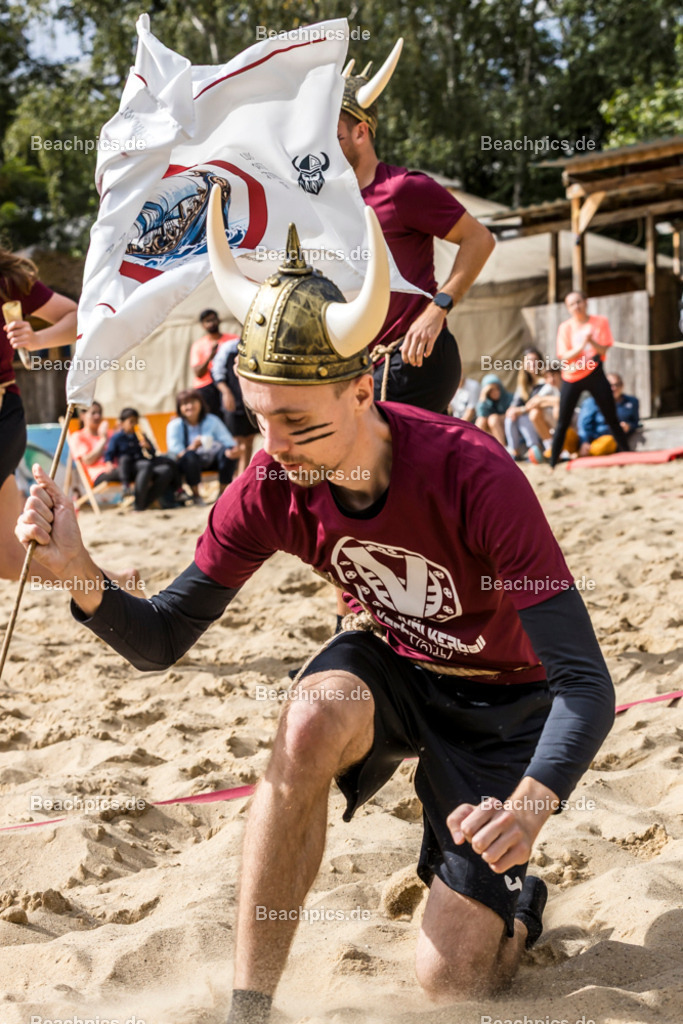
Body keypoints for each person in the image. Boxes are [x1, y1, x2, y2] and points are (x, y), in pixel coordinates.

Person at [16, 204, 614, 1024]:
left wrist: (528, 809)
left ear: (362, 389)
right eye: (259, 418)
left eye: (298, 421)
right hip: (394, 665)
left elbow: (585, 685)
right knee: (304, 720)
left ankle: (517, 901)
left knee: (454, 981)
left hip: (508, 701)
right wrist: (77, 571)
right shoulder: (266, 486)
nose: (275, 446)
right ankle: (249, 1007)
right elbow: (159, 641)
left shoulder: (472, 473)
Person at [337, 43, 494, 414]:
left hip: (412, 360)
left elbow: (479, 239)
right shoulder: (325, 204)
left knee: (390, 466)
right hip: (360, 369)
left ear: (361, 132)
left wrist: (438, 308)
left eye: (333, 135)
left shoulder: (403, 188)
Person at [1, 245, 77, 580]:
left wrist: (36, 339)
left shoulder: (8, 282)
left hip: (2, 416)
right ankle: (113, 586)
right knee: (8, 560)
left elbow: (76, 318)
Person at [548, 292, 630, 468]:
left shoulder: (599, 322)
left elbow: (603, 350)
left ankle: (628, 456)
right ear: (568, 308)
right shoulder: (565, 327)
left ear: (585, 302)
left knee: (611, 417)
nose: (576, 306)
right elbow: (564, 356)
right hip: (572, 376)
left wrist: (591, 341)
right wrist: (580, 346)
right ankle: (552, 463)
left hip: (594, 372)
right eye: (571, 304)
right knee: (563, 421)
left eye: (579, 302)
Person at [166, 389, 240, 501]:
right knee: (190, 456)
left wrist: (231, 450)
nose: (190, 406)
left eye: (193, 402)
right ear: (179, 408)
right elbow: (176, 453)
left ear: (201, 403)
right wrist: (192, 447)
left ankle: (222, 493)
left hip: (211, 459)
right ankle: (196, 495)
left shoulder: (212, 420)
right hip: (188, 464)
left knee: (227, 454)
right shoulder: (175, 425)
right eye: (185, 404)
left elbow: (228, 442)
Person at [102, 408, 179, 511]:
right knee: (136, 462)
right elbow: (109, 453)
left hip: (143, 465)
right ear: (123, 423)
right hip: (127, 468)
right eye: (131, 422)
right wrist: (109, 463)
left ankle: (144, 503)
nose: (134, 424)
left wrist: (147, 446)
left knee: (166, 470)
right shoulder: (117, 438)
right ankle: (133, 496)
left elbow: (153, 453)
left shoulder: (140, 435)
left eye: (136, 421)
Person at [211, 336, 258, 477]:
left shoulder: (256, 344)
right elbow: (217, 373)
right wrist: (226, 393)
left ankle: (244, 475)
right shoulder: (229, 347)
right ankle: (236, 478)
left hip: (249, 401)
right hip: (233, 400)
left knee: (249, 440)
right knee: (236, 442)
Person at [190, 308, 238, 417]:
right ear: (203, 325)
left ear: (219, 320)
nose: (211, 323)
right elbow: (198, 373)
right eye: (207, 321)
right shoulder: (199, 345)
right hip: (208, 387)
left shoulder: (233, 340)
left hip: (230, 383)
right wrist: (211, 356)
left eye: (213, 320)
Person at [577, 373, 640, 457]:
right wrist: (584, 442)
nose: (614, 388)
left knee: (608, 442)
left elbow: (635, 422)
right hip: (593, 438)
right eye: (610, 385)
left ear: (622, 385)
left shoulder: (632, 402)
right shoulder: (592, 402)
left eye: (617, 385)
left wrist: (628, 426)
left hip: (609, 440)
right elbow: (583, 426)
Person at [68, 401, 114, 486]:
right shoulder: (78, 436)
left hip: (118, 469)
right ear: (82, 416)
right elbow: (88, 460)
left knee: (144, 468)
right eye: (93, 413)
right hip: (99, 474)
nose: (98, 416)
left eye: (99, 413)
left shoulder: (111, 433)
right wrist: (103, 439)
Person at [475, 373, 512, 447]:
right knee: (481, 420)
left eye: (497, 389)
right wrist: (482, 398)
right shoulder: (487, 402)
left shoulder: (508, 398)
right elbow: (481, 414)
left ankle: (502, 448)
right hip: (491, 430)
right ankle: (478, 447)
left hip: (507, 426)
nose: (495, 392)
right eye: (491, 390)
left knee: (493, 418)